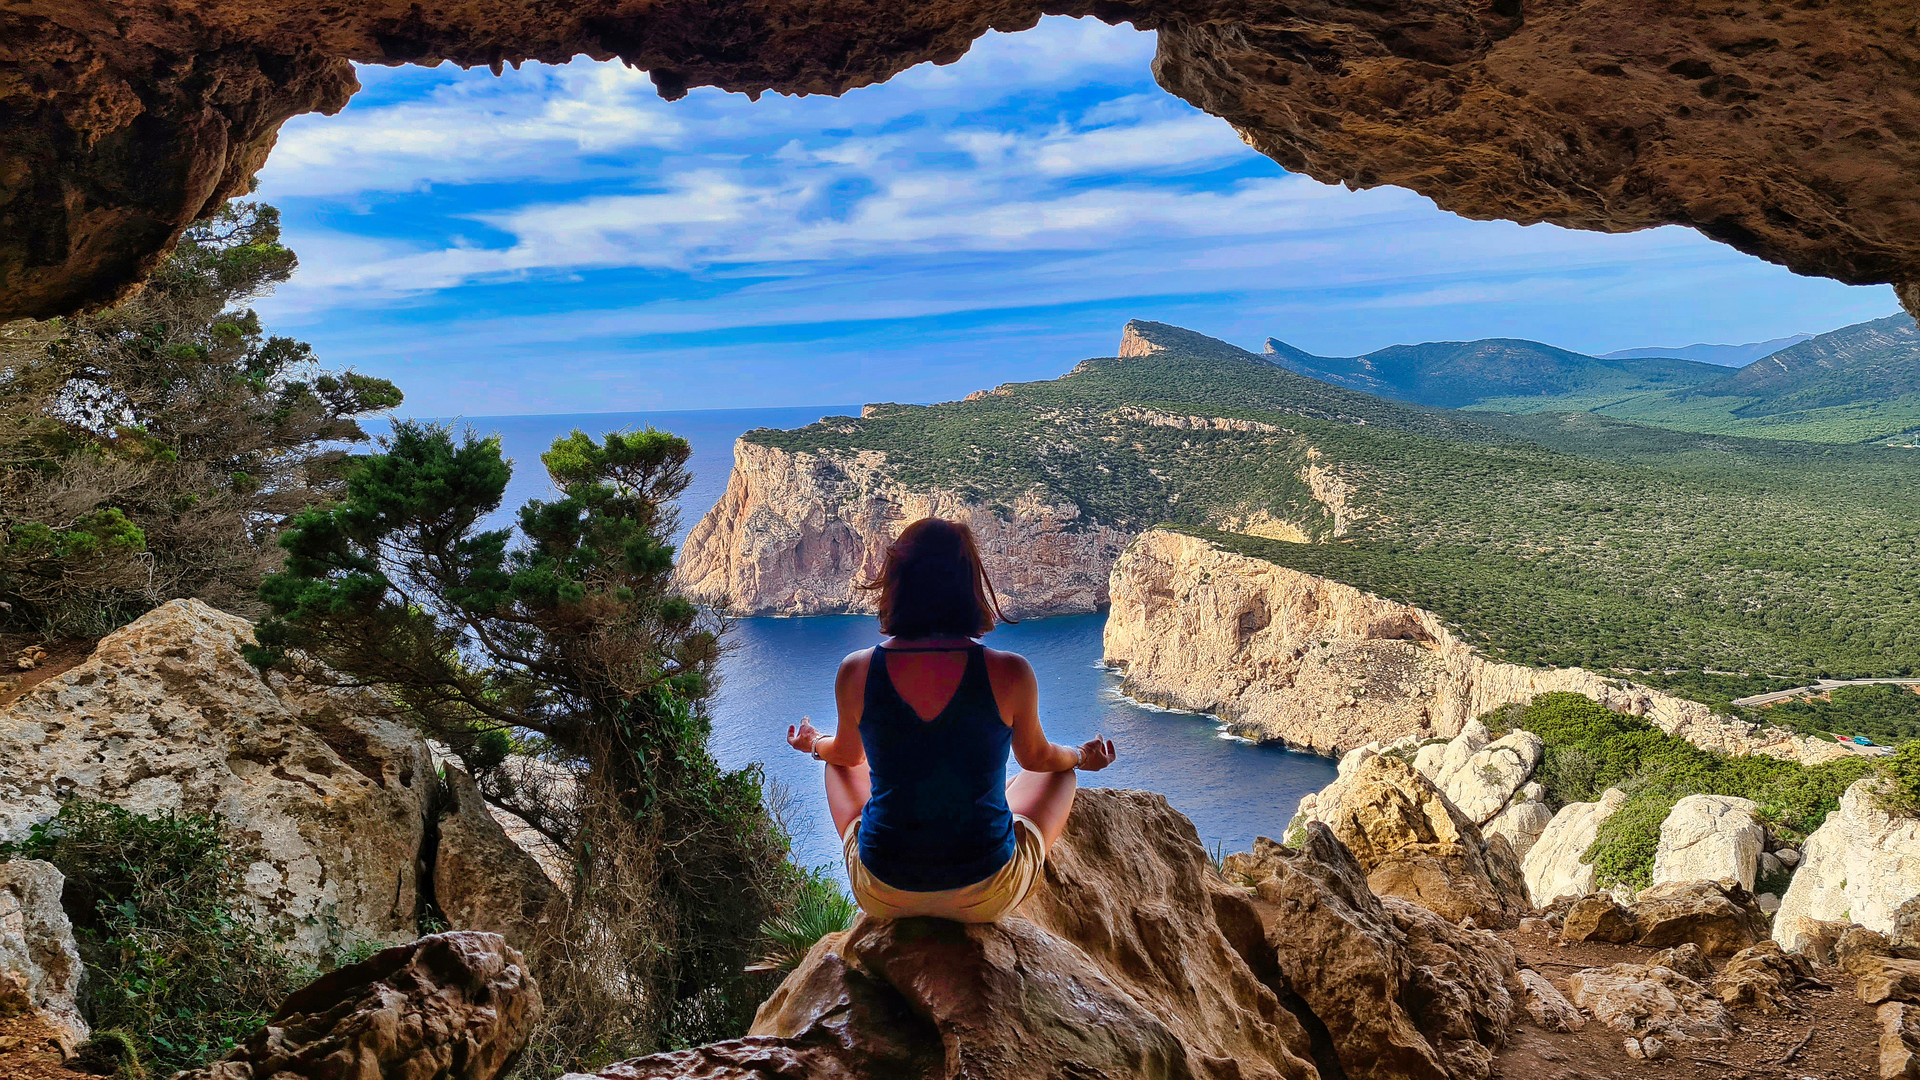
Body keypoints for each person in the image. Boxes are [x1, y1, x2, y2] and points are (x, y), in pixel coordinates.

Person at [786, 517, 1116, 922]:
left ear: (897, 583)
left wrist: (813, 743)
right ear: (969, 584)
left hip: (884, 891)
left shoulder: (856, 670)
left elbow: (847, 755)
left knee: (834, 763)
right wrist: (1082, 755)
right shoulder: (1011, 671)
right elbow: (1038, 759)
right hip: (985, 893)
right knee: (1061, 772)